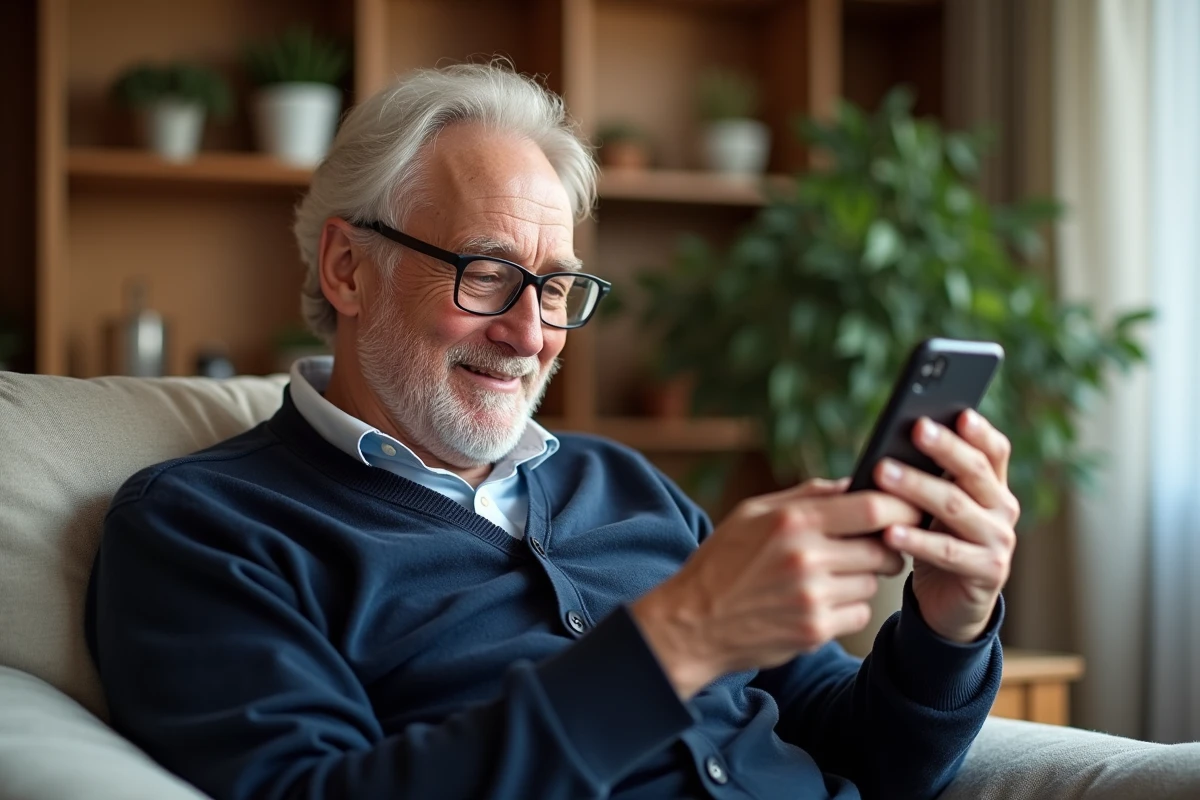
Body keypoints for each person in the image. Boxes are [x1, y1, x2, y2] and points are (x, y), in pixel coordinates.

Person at [86, 64, 1019, 800]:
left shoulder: (625, 486)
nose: (532, 335)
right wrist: (675, 643)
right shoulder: (206, 529)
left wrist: (949, 622)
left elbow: (872, 757)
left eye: (559, 287)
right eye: (487, 274)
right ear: (347, 267)